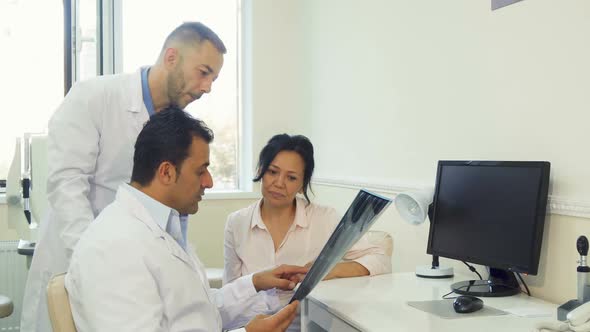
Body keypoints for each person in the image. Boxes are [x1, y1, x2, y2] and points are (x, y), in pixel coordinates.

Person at [21, 22, 226, 332]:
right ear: (171, 58)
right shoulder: (94, 97)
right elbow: (66, 186)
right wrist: (98, 265)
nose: (208, 86)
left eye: (214, 78)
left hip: (136, 269)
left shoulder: (177, 127)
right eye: (204, 72)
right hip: (87, 263)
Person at [65, 108, 307, 331]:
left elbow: (200, 310)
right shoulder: (112, 248)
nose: (209, 182)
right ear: (167, 172)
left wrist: (255, 282)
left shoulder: (161, 227)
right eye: (201, 171)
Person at [223, 134, 393, 331]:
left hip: (304, 325)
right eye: (272, 172)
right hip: (249, 326)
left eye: (291, 177)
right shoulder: (237, 222)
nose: (279, 183)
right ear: (261, 171)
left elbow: (380, 259)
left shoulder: (324, 218)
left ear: (303, 184)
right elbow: (230, 292)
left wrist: (324, 271)